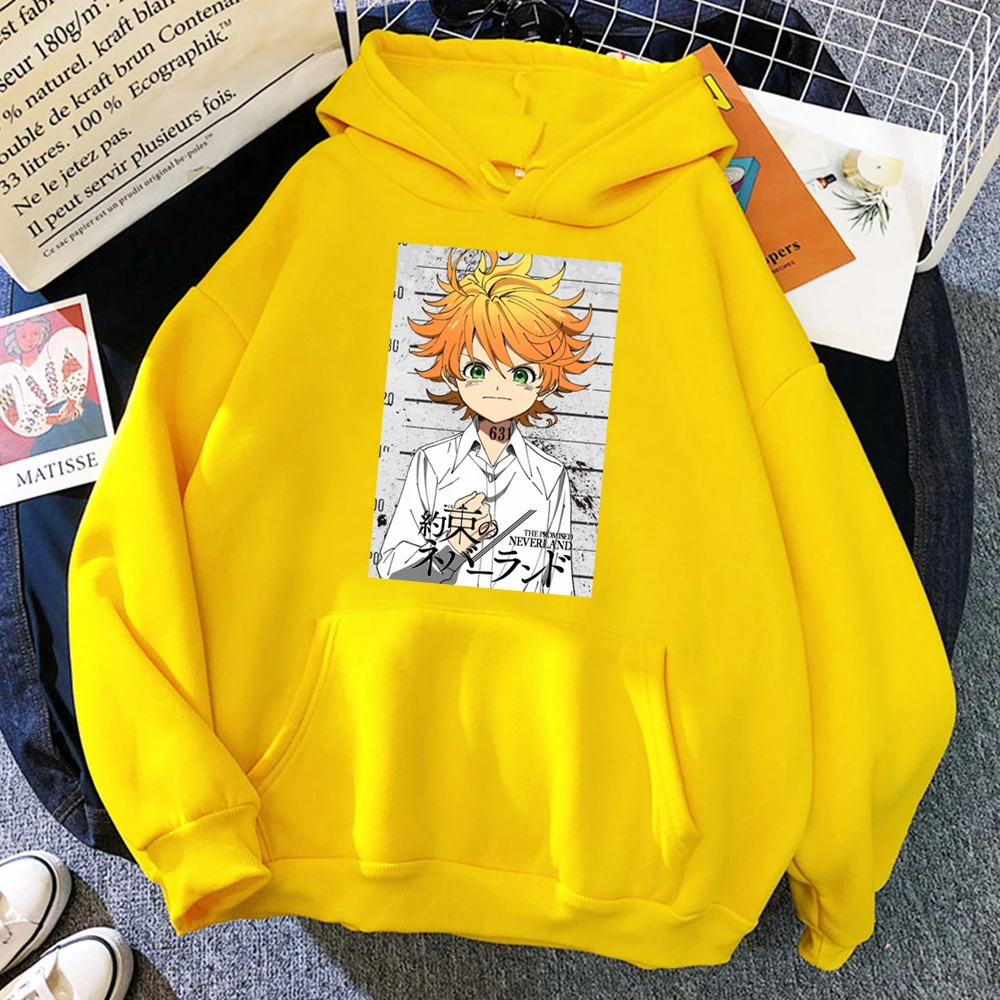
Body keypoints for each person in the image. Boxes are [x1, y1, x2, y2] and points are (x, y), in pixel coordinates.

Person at [377, 250, 596, 595]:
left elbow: (559, 584)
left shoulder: (550, 476)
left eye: (521, 374)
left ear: (545, 382)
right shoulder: (431, 464)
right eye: (477, 370)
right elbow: (391, 570)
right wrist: (454, 548)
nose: (498, 387)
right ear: (451, 374)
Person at [0, 315, 104, 463]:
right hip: (46, 427)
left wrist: (72, 402)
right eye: (23, 336)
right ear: (14, 339)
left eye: (35, 333)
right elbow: (14, 416)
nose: (30, 340)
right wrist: (54, 418)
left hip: (78, 411)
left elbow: (73, 370)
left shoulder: (55, 349)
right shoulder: (9, 372)